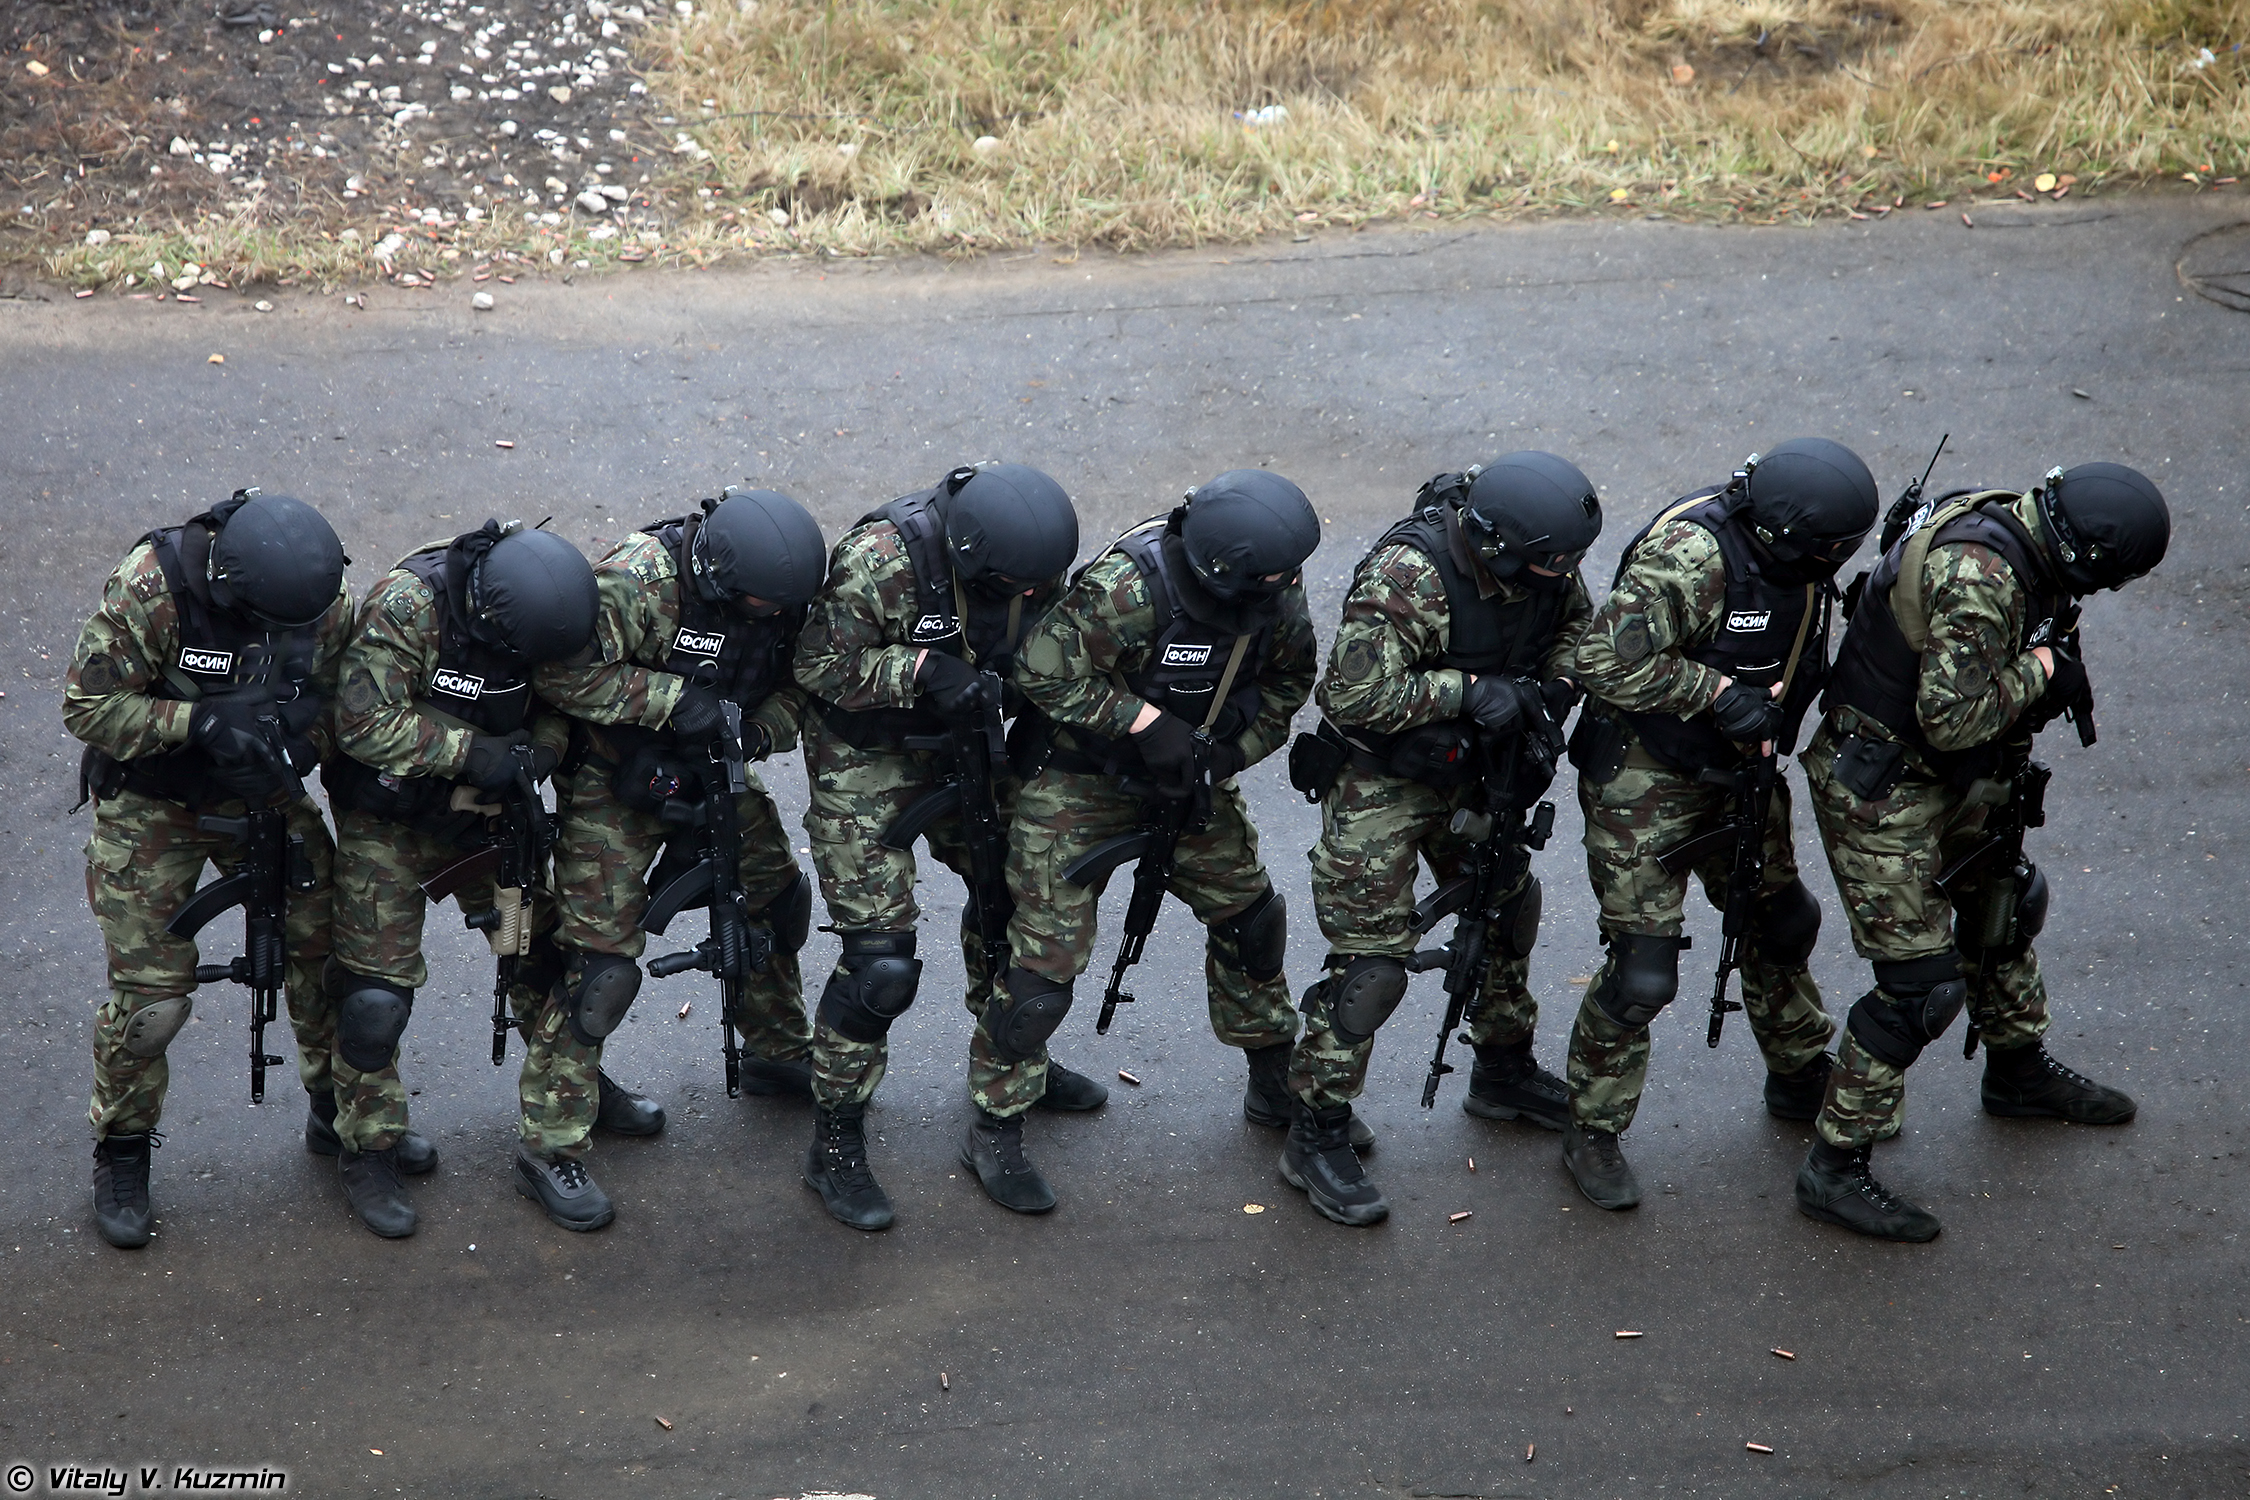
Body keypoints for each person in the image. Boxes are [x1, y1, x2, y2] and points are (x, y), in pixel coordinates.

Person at [1794, 463, 2169, 1241]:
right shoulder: (1982, 578)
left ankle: (2018, 1073)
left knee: (2001, 909)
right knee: (1918, 989)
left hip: (1953, 776)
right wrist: (2039, 669)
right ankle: (1833, 1168)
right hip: (1883, 784)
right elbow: (1952, 717)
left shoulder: (2028, 533)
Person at [1562, 439, 1877, 1210]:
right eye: (1823, 552)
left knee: (1781, 922)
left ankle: (1799, 1069)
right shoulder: (1691, 558)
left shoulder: (1799, 561)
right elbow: (1599, 661)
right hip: (1647, 778)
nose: (1829, 565)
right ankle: (1592, 1128)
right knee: (1643, 974)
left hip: (1743, 772)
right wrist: (1715, 691)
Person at [1288, 453, 1599, 1226]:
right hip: (1383, 778)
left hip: (1478, 770)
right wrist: (1471, 691)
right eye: (1543, 565)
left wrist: (1548, 691)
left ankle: (1501, 1068)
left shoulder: (1547, 565)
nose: (1557, 576)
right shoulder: (1409, 576)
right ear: (1493, 546)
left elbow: (1575, 633)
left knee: (1505, 908)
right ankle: (1316, 1130)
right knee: (1372, 970)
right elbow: (1353, 693)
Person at [1006, 469, 1324, 1214]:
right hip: (1083, 779)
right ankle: (997, 1117)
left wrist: (1226, 752)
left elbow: (1289, 682)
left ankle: (1275, 1082)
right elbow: (1040, 673)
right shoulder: (1129, 589)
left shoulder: (1271, 580)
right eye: (1270, 578)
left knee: (1251, 920)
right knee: (1040, 975)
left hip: (1190, 776)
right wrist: (1143, 724)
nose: (1283, 586)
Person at [794, 461, 1101, 1230]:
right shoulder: (882, 563)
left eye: (1039, 587)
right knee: (880, 964)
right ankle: (834, 1139)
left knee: (1018, 906)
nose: (1030, 599)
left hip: (966, 738)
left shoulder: (1034, 565)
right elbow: (816, 665)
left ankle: (1008, 1080)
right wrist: (923, 668)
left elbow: (1054, 650)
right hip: (867, 749)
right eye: (1014, 590)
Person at [64, 489, 352, 1249]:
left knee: (331, 952)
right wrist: (196, 721)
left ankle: (339, 1110)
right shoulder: (153, 588)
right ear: (230, 589)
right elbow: (88, 708)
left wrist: (298, 746)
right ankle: (122, 1149)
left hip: (264, 790)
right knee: (152, 1002)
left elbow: (334, 690)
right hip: (155, 801)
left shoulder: (315, 594)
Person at [325, 520, 619, 1234]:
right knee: (374, 1003)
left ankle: (560, 1123)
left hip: (490, 825)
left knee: (543, 962)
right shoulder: (408, 609)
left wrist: (536, 756)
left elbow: (562, 705)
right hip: (388, 828)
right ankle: (367, 1147)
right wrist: (470, 750)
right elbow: (360, 723)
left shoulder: (552, 620)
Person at [535, 487, 825, 1115]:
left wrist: (757, 731)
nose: (774, 615)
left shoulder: (788, 599)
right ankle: (556, 1128)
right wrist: (673, 700)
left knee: (774, 903)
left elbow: (805, 686)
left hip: (717, 771)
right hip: (616, 777)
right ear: (717, 578)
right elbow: (559, 674)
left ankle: (776, 1053)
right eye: (759, 604)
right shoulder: (638, 580)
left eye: (785, 606)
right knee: (601, 966)